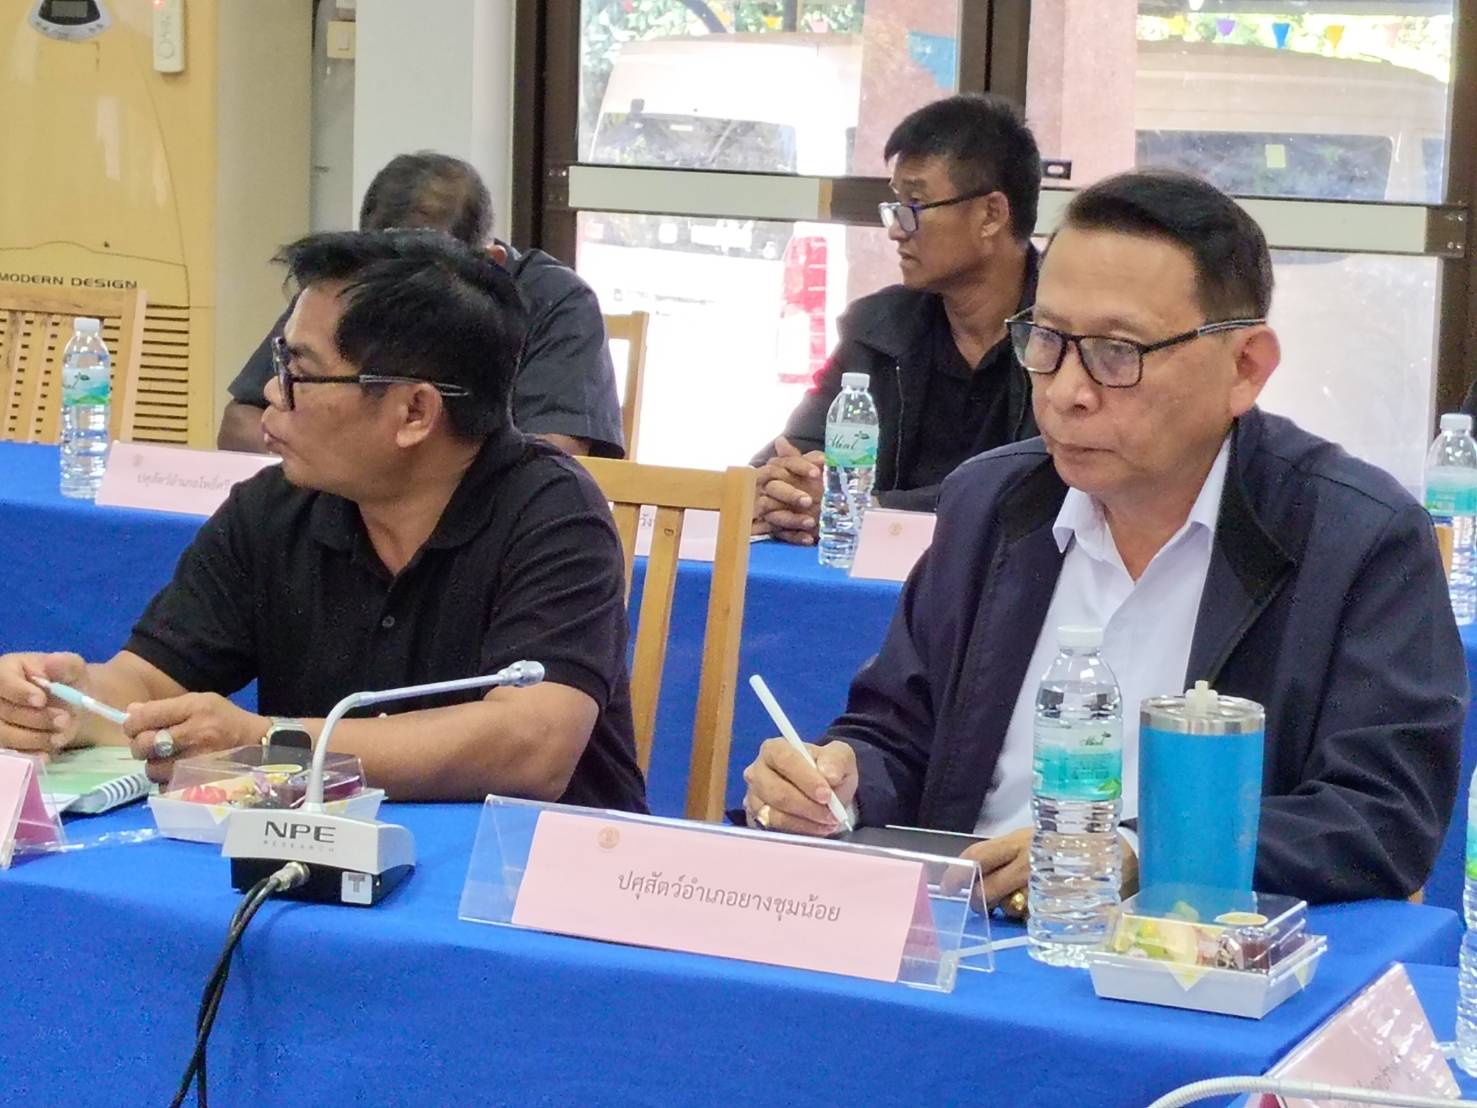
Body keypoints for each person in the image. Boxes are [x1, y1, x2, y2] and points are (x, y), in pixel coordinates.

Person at [740, 170, 1465, 905]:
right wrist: (840, 778)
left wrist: (1141, 852)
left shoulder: (1356, 538)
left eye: (1117, 352)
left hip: (1186, 944)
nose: (1065, 391)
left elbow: (1383, 815)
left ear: (1245, 367)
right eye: (1045, 339)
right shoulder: (991, 502)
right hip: (971, 928)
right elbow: (897, 733)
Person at [1, 229, 647, 811]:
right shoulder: (274, 507)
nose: (271, 393)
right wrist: (71, 702)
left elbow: (532, 745)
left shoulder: (554, 513)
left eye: (300, 373)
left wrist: (268, 744)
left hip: (524, 881)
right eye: (279, 363)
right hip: (319, 864)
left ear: (414, 413)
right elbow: (148, 681)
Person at [751, 94, 1042, 542]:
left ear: (991, 215)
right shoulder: (878, 329)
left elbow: (1038, 487)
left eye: (915, 205)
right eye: (895, 205)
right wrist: (780, 489)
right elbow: (797, 452)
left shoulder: (1066, 337)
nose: (895, 229)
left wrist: (872, 510)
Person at [219, 151, 624, 459]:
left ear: (489, 262)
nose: (400, 298)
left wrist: (371, 464)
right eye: (383, 273)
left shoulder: (556, 301)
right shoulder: (348, 287)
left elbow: (555, 456)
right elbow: (241, 421)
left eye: (426, 280)